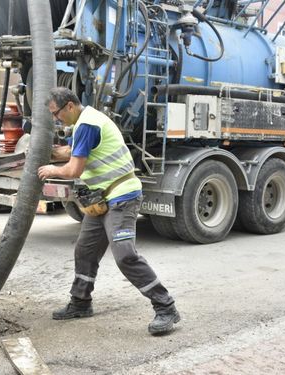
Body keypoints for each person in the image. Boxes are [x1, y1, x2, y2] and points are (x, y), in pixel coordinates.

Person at [38, 87, 180, 335]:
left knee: (125, 255)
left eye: (56, 113)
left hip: (122, 197)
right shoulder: (85, 121)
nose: (55, 118)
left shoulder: (87, 125)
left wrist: (50, 169)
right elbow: (70, 151)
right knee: (85, 250)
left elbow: (73, 170)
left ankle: (166, 307)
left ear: (70, 106)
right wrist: (44, 150)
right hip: (103, 199)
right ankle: (81, 303)